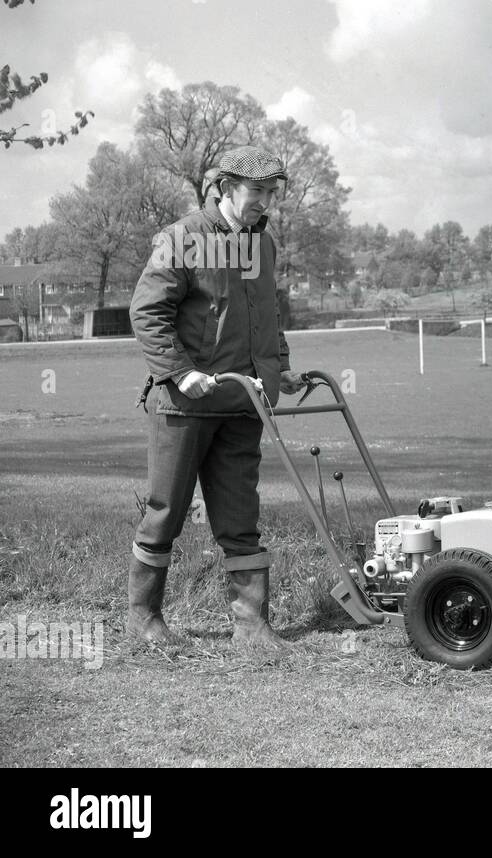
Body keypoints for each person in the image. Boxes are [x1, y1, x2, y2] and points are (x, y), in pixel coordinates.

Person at [127, 145, 305, 650]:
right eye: (258, 191)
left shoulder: (261, 242)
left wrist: (281, 368)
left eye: (273, 192)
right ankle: (142, 618)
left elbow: (265, 313)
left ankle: (251, 625)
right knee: (166, 512)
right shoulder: (182, 239)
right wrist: (180, 374)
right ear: (226, 188)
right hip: (186, 404)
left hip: (242, 401)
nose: (266, 202)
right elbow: (148, 313)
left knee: (240, 518)